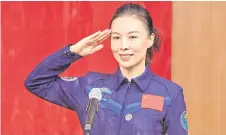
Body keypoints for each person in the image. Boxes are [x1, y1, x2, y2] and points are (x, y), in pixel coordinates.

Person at [24, 3, 188, 135]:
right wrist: (73, 51)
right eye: (116, 38)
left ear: (150, 39)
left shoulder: (170, 94)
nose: (123, 46)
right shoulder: (90, 87)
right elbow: (36, 82)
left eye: (132, 37)